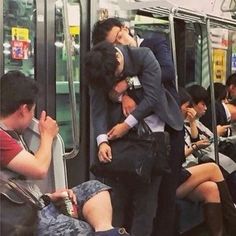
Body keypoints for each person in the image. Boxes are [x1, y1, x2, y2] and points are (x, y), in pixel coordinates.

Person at [0, 70, 130, 236]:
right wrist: (47, 136)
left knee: (95, 188)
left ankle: (104, 232)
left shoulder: (13, 134)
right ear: (23, 109)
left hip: (32, 202)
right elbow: (38, 169)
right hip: (23, 216)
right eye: (33, 110)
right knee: (82, 230)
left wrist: (48, 197)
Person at [92, 18, 185, 236]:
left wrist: (128, 86)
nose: (121, 43)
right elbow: (101, 103)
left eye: (120, 37)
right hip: (132, 138)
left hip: (165, 129)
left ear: (125, 28)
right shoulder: (105, 64)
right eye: (114, 43)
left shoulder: (152, 45)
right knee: (125, 196)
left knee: (164, 195)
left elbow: (166, 73)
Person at [177, 86, 236, 235]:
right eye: (186, 107)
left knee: (211, 188)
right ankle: (233, 221)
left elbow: (195, 139)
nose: (189, 110)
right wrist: (195, 146)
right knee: (212, 168)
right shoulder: (169, 127)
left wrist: (192, 122)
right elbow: (175, 157)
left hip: (187, 172)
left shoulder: (184, 125)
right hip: (174, 177)